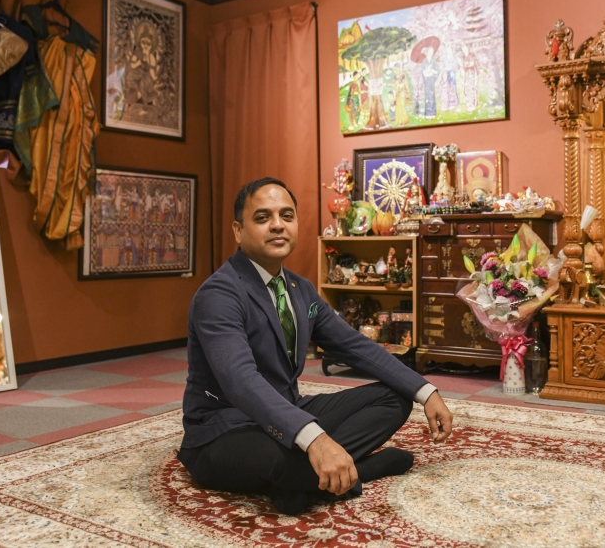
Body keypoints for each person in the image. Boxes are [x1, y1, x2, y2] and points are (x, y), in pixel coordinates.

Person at [179, 178, 453, 515]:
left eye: (287, 216)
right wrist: (315, 439)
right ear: (238, 231)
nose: (278, 225)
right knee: (278, 459)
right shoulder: (219, 295)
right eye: (263, 218)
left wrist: (425, 391)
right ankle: (355, 471)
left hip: (287, 410)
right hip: (225, 429)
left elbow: (354, 346)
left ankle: (306, 480)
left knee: (395, 397)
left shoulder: (299, 289)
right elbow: (240, 381)